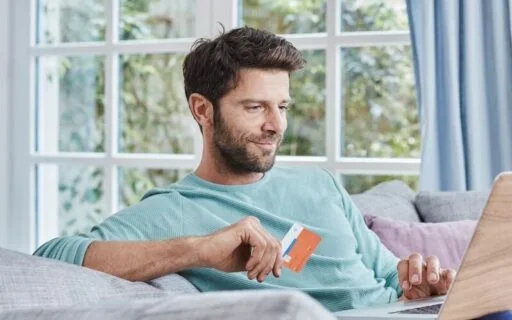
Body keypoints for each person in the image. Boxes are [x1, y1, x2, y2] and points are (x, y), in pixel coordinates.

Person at [33, 27, 455, 313]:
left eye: (282, 106)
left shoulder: (319, 184)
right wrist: (200, 250)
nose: (277, 125)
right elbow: (52, 258)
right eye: (255, 108)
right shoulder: (176, 210)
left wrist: (418, 286)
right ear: (203, 110)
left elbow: (387, 274)